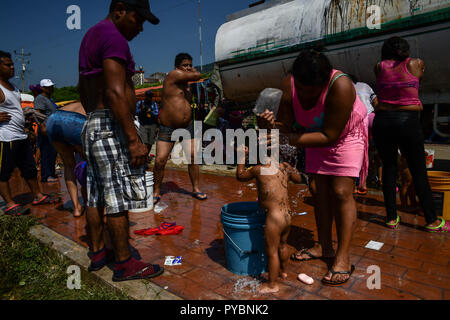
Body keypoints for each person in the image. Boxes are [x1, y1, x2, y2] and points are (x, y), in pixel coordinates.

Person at [260, 48, 369, 286]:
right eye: (302, 91)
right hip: (312, 136)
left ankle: (343, 256)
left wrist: (288, 137)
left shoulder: (340, 86)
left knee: (341, 191)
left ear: (323, 82)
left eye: (313, 93)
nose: (307, 98)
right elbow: (286, 125)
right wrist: (268, 124)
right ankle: (324, 246)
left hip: (345, 135)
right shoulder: (288, 85)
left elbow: (330, 135)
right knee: (318, 191)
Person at [78, 0, 164, 282]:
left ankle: (98, 251)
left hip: (93, 122)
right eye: (137, 20)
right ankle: (125, 264)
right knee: (116, 198)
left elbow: (84, 89)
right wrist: (132, 139)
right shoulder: (113, 37)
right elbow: (116, 92)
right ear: (119, 10)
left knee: (95, 193)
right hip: (109, 124)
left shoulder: (92, 34)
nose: (140, 28)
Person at [373, 36, 448, 231]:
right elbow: (415, 83)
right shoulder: (417, 63)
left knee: (389, 168)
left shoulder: (379, 67)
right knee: (418, 170)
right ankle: (431, 220)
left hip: (383, 121)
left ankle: (391, 218)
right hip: (407, 121)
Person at [236, 143, 302, 294]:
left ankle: (272, 285)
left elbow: (240, 176)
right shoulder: (284, 167)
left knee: (271, 250)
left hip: (274, 217)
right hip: (286, 215)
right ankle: (283, 272)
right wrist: (291, 165)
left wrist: (241, 156)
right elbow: (298, 179)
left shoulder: (258, 169)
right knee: (283, 245)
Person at [0, 51, 60, 215]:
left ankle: (37, 195)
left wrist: (26, 122)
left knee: (30, 169)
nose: (12, 67)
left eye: (12, 64)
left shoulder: (13, 87)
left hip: (20, 135)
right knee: (3, 173)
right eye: (7, 64)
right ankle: (10, 203)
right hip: (5, 138)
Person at [153, 53, 207, 204]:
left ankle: (196, 189)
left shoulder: (187, 85)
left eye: (190, 64)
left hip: (187, 126)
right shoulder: (173, 75)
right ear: (177, 67)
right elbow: (198, 75)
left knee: (192, 157)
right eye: (185, 65)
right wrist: (194, 71)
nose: (189, 67)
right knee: (160, 161)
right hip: (168, 127)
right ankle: (156, 191)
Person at [45, 101, 87, 217]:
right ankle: (88, 200)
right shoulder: (95, 102)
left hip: (53, 119)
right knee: (91, 163)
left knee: (68, 165)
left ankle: (76, 208)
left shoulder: (75, 103)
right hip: (75, 121)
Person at [34, 79, 59, 183]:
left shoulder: (49, 98)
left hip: (52, 129)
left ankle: (51, 173)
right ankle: (46, 175)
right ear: (43, 88)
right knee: (46, 153)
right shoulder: (40, 98)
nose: (51, 88)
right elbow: (37, 113)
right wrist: (42, 125)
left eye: (51, 86)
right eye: (48, 87)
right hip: (45, 129)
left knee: (52, 152)